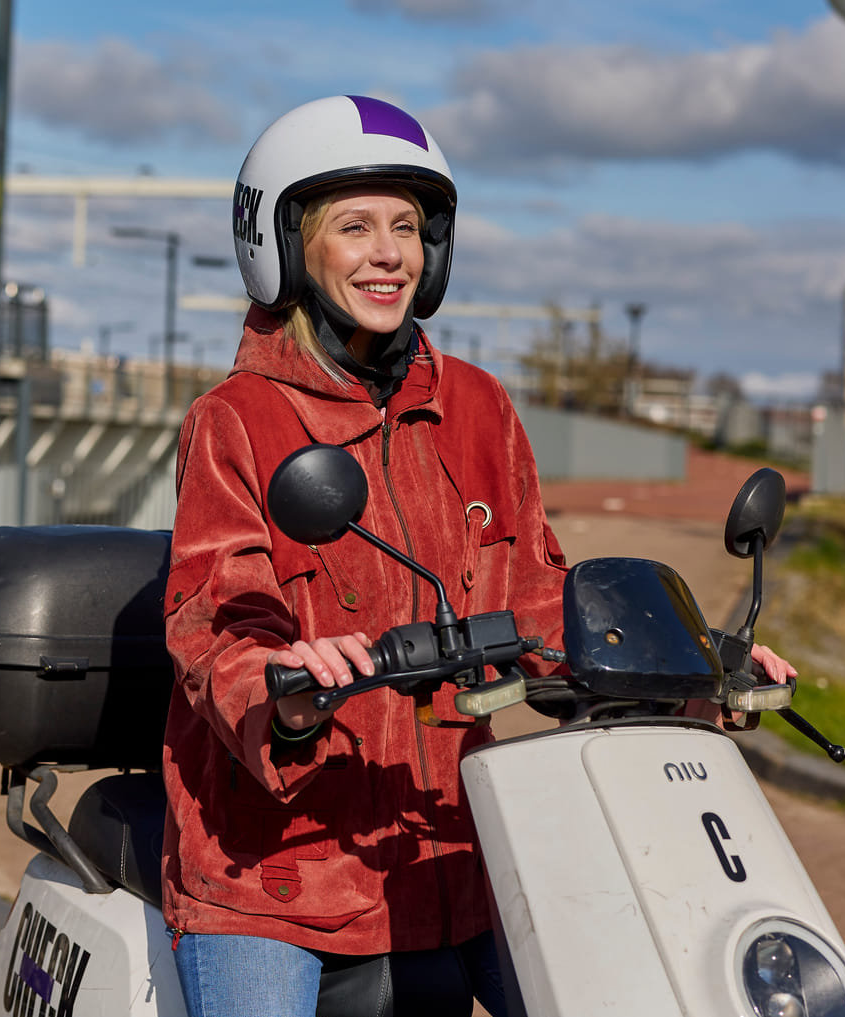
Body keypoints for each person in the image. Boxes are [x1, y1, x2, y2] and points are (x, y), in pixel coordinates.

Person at [161, 95, 794, 1017]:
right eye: (355, 226)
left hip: (452, 848)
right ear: (289, 245)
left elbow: (540, 600)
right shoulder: (239, 421)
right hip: (279, 872)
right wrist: (285, 686)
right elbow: (218, 618)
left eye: (409, 228)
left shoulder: (478, 406)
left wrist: (697, 674)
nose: (389, 253)